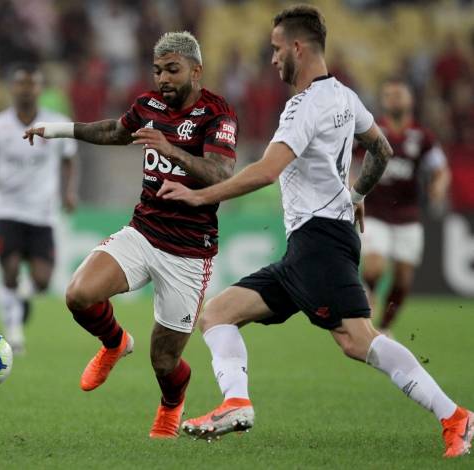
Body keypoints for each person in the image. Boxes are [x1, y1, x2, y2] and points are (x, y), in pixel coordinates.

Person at [157, 5, 472, 458]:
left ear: (297, 48)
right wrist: (358, 194)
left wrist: (200, 197)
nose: (271, 59)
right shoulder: (344, 96)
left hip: (319, 242)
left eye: (276, 49)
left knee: (357, 339)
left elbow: (267, 172)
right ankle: (236, 402)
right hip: (311, 244)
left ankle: (456, 417)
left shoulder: (303, 107)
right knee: (217, 313)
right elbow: (379, 149)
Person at [23, 31, 238, 438]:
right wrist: (55, 130)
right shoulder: (148, 105)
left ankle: (172, 403)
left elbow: (222, 173)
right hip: (143, 231)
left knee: (164, 361)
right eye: (158, 71)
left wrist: (170, 149)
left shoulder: (218, 113)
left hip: (189, 252)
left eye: (172, 70)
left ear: (196, 70)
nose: (163, 79)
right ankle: (115, 342)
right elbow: (112, 131)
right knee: (79, 294)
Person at [0, 63, 78, 355]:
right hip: (7, 210)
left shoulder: (56, 123)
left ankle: (22, 298)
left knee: (42, 280)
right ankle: (14, 336)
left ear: (40, 89)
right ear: (12, 88)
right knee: (10, 270)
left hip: (42, 212)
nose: (26, 89)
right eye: (20, 84)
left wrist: (68, 192)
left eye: (32, 84)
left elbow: (68, 158)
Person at [356, 78, 450, 335]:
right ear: (383, 101)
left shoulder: (423, 136)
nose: (394, 99)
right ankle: (371, 291)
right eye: (389, 95)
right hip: (375, 211)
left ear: (410, 100)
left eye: (399, 94)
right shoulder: (372, 131)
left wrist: (439, 185)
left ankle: (384, 328)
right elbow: (348, 159)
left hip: (408, 215)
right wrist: (351, 186)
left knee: (403, 280)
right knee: (375, 265)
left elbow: (440, 169)